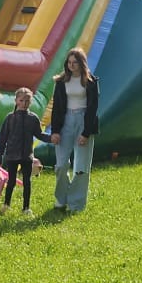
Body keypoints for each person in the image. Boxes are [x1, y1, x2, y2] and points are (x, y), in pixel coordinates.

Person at [48, 47, 99, 214]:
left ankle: (76, 203)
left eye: (75, 63)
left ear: (81, 63)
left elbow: (93, 108)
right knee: (61, 164)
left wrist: (86, 133)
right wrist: (55, 131)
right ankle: (61, 198)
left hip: (84, 120)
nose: (71, 66)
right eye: (69, 63)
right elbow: (56, 108)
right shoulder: (61, 82)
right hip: (66, 122)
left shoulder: (90, 82)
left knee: (81, 166)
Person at [0, 87, 50, 213]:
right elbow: (2, 139)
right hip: (12, 155)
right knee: (11, 181)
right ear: (16, 101)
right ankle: (6, 204)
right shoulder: (10, 118)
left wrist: (52, 138)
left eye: (27, 101)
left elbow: (39, 134)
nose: (24, 104)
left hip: (26, 156)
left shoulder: (33, 118)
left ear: (30, 102)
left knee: (27, 182)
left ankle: (26, 207)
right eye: (21, 100)